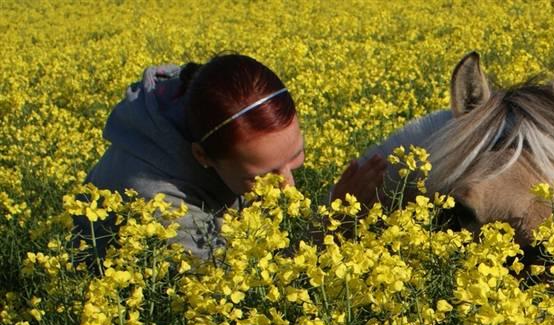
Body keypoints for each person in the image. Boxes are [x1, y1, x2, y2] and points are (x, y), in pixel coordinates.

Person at [72, 52, 451, 263]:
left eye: (296, 157)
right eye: (265, 175)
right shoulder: (155, 201)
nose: (289, 188)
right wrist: (328, 231)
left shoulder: (200, 113)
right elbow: (225, 309)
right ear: (202, 156)